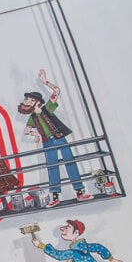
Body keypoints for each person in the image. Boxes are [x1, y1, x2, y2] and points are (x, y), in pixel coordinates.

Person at [17, 69, 92, 207]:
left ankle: (80, 192)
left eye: (31, 100)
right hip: (47, 142)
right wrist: (38, 134)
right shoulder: (32, 118)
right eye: (27, 99)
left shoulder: (48, 108)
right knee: (52, 167)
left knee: (70, 162)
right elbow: (27, 131)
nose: (27, 101)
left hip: (59, 137)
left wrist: (45, 82)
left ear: (38, 102)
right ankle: (55, 197)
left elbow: (56, 91)